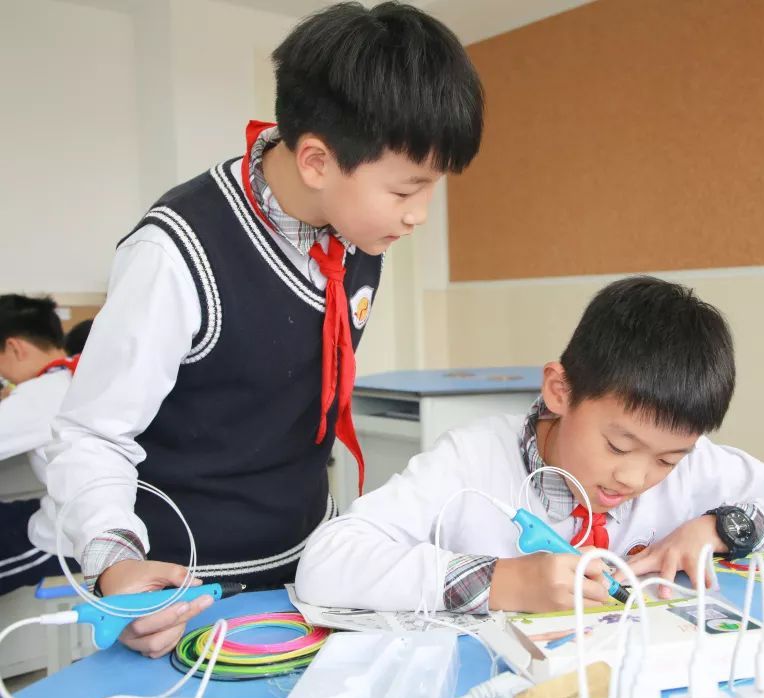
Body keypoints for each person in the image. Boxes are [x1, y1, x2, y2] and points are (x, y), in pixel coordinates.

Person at [38, 1, 484, 657]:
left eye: (431, 188)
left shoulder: (358, 233)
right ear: (316, 161)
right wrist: (115, 565)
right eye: (404, 191)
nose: (418, 214)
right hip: (184, 590)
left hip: (308, 569)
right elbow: (91, 433)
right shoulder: (176, 253)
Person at [296, 276, 764, 614]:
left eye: (666, 459)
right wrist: (503, 581)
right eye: (618, 445)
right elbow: (327, 562)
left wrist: (721, 528)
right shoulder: (471, 460)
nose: (634, 478)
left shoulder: (696, 469)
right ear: (560, 391)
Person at [0, 295, 80, 594]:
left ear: (14, 347)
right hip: (86, 516)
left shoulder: (39, 394)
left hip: (68, 540)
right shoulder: (75, 375)